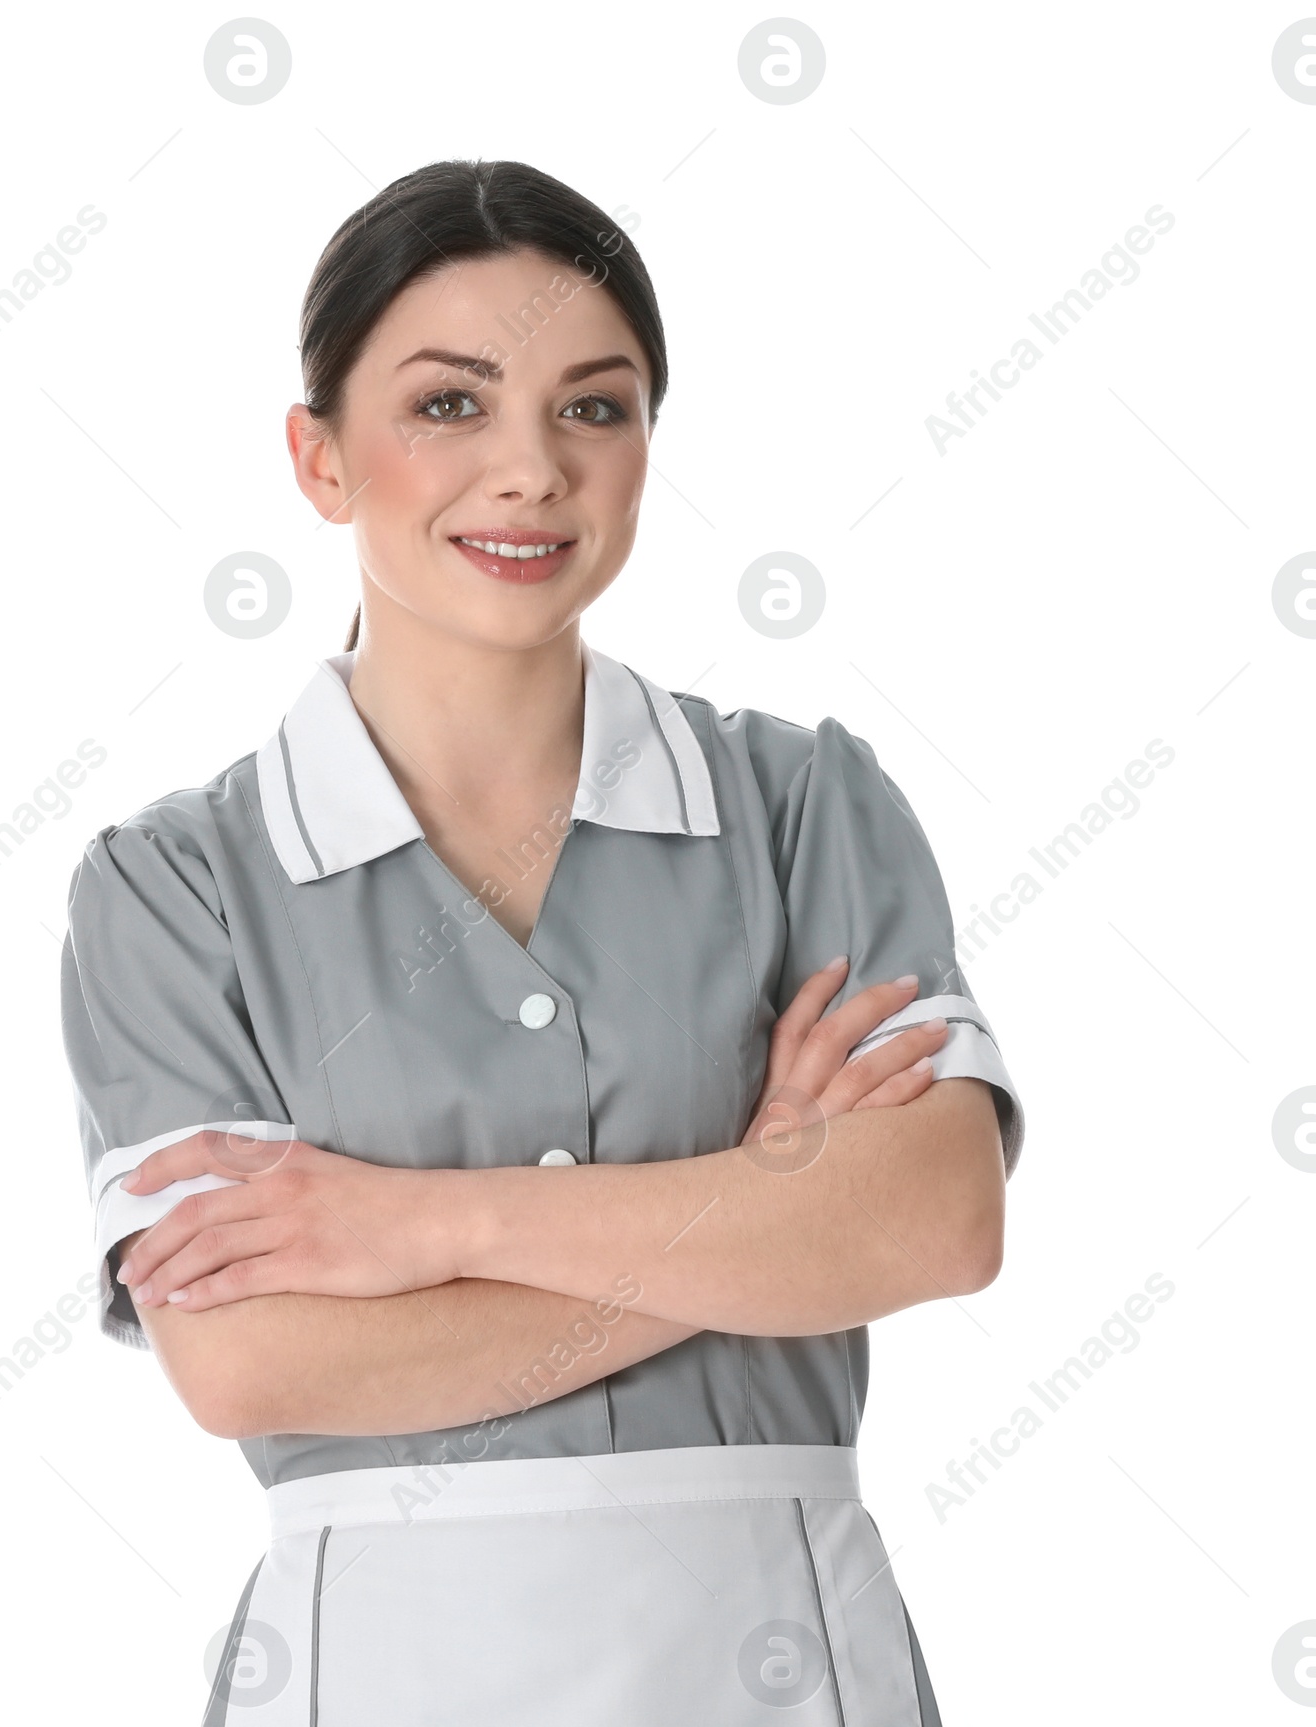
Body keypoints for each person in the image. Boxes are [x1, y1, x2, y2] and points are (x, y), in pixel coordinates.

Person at [59, 158, 1025, 1727]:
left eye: (596, 406)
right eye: (448, 405)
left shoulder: (798, 806)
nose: (530, 471)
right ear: (317, 458)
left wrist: (419, 1227)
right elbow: (251, 1367)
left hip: (779, 1660)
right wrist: (762, 1213)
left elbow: (932, 1225)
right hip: (376, 1669)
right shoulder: (175, 886)